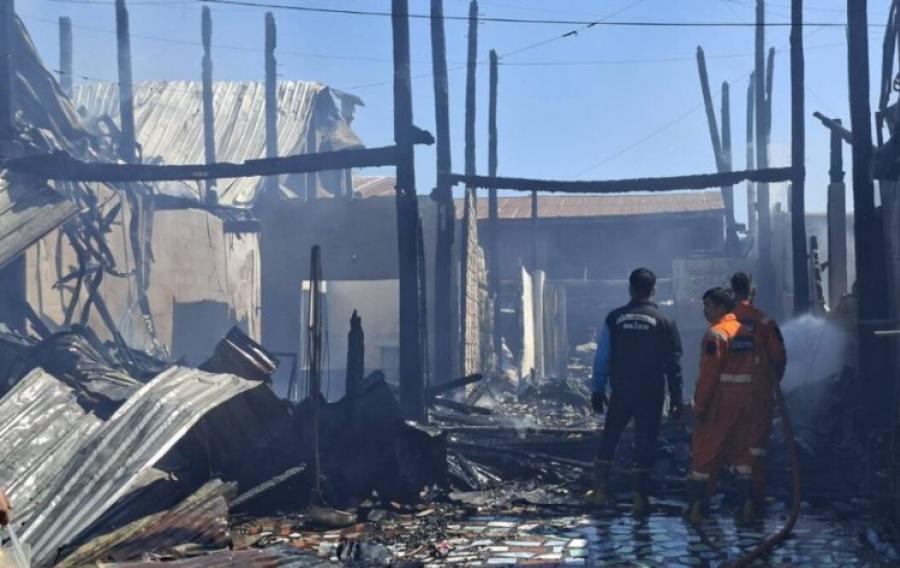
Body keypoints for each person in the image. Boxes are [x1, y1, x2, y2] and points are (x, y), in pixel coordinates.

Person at [586, 268, 683, 516]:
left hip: (622, 390)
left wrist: (597, 389)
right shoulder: (665, 322)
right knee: (645, 441)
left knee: (610, 437)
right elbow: (673, 365)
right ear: (654, 290)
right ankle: (640, 498)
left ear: (630, 289)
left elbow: (602, 357)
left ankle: (599, 491)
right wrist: (676, 398)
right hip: (652, 392)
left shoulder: (614, 318)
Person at [685, 287, 756, 523]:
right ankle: (746, 506)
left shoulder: (716, 334)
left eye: (707, 305)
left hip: (720, 403)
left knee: (703, 453)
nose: (704, 310)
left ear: (720, 307)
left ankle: (697, 506)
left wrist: (700, 406)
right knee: (742, 455)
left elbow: (709, 375)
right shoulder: (746, 332)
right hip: (746, 404)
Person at [730, 272, 787, 514]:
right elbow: (779, 357)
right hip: (758, 395)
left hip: (729, 396)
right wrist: (772, 382)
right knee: (756, 447)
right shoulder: (764, 322)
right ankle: (754, 497)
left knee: (736, 445)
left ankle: (741, 497)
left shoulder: (724, 322)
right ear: (753, 290)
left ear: (732, 290)